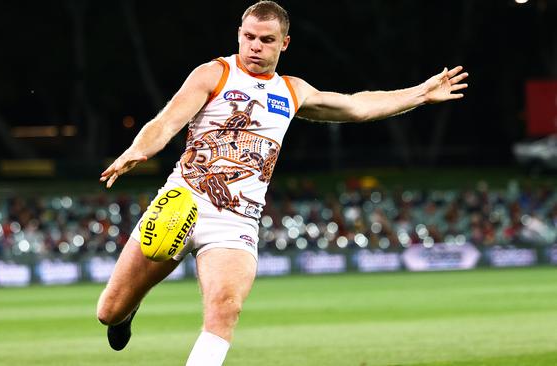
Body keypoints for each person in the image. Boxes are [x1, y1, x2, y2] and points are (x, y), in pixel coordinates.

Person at [96, 1, 469, 365]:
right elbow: (167, 121)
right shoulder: (214, 74)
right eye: (249, 36)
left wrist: (420, 94)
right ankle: (126, 312)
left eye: (267, 40)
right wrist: (138, 149)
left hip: (235, 222)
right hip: (182, 204)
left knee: (225, 308)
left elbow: (357, 106)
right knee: (108, 311)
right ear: (239, 35)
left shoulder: (292, 91)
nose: (255, 46)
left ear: (284, 43)